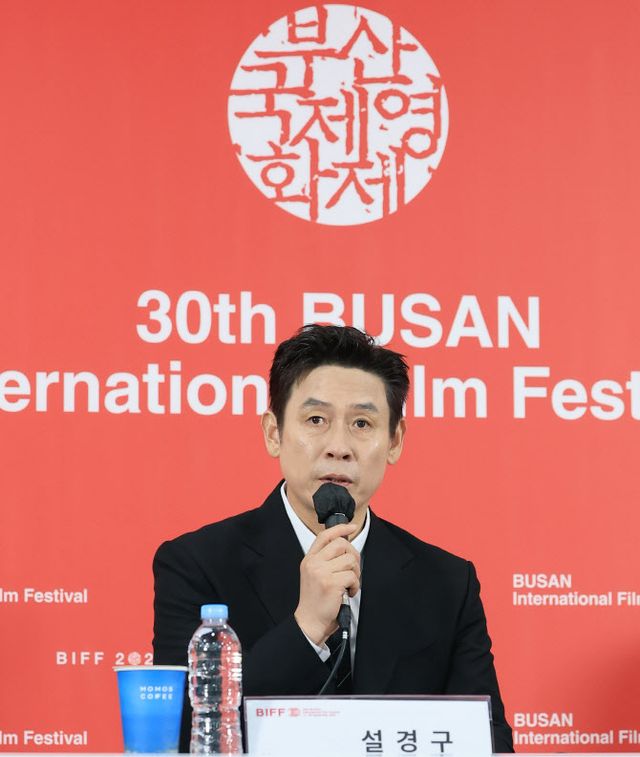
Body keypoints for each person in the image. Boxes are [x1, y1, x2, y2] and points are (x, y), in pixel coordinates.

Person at [153, 325, 513, 752]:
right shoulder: (196, 564)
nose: (338, 446)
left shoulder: (448, 583)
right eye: (316, 420)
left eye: (362, 423)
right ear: (273, 432)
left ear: (395, 441)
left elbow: (489, 741)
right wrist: (305, 627)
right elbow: (184, 735)